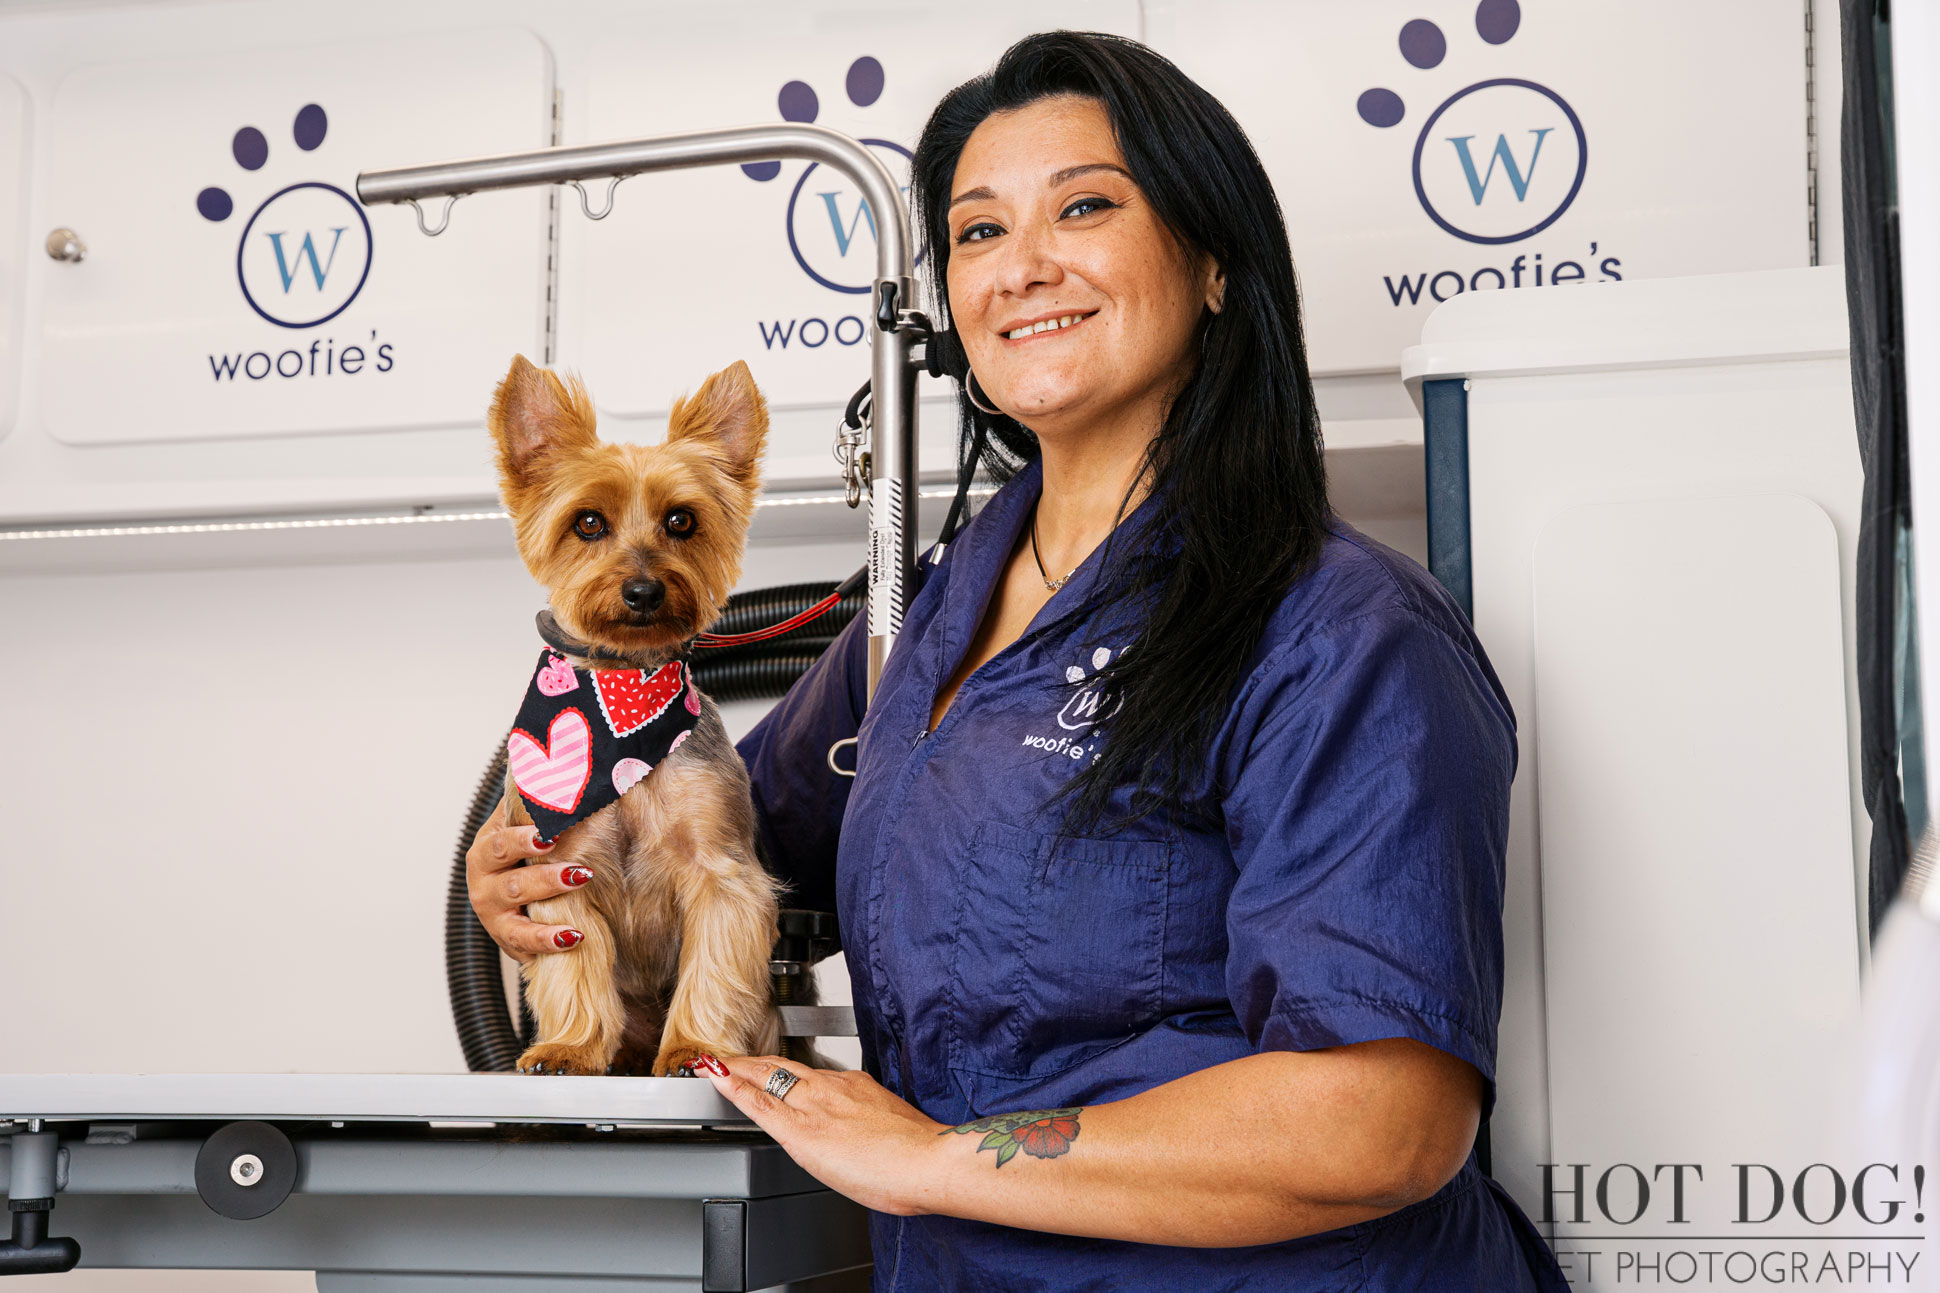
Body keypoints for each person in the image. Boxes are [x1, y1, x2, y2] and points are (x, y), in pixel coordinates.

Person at [468, 29, 1569, 1291]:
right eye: (978, 232)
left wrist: (932, 1161)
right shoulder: (922, 621)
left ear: (1214, 260)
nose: (1021, 266)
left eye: (1085, 206)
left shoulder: (1337, 631)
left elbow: (1382, 1126)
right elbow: (724, 843)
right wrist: (534, 877)